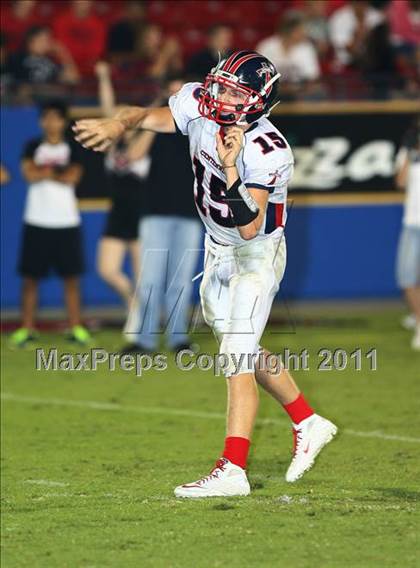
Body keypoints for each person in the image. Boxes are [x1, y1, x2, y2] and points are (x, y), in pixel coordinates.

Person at [73, 49, 337, 498]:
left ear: (256, 100)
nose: (220, 96)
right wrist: (120, 123)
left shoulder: (268, 149)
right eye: (220, 85)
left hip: (255, 253)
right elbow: (149, 116)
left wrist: (230, 165)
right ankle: (308, 421)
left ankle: (232, 469)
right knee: (243, 348)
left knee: (235, 356)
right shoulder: (198, 103)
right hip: (217, 250)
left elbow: (249, 226)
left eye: (234, 92)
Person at [121, 77, 202, 354]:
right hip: (154, 212)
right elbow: (133, 154)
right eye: (172, 93)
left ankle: (178, 339)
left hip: (190, 213)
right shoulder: (156, 129)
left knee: (181, 280)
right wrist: (156, 116)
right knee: (150, 280)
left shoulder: (197, 127)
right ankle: (144, 340)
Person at [10, 100, 90, 348]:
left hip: (67, 221)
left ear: (63, 122)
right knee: (30, 279)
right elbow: (29, 174)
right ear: (41, 121)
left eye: (55, 117)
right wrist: (57, 173)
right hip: (36, 220)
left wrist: (45, 171)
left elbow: (73, 177)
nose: (50, 122)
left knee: (71, 279)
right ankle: (27, 329)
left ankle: (76, 328)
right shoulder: (32, 146)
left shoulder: (73, 147)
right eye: (46, 117)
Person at [95, 61, 152, 314]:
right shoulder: (111, 145)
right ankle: (133, 305)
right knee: (107, 270)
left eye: (123, 117)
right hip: (117, 213)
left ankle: (142, 322)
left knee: (142, 277)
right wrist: (103, 77)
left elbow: (134, 155)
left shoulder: (145, 139)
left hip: (141, 213)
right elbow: (107, 110)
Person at [395, 116, 420, 351]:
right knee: (406, 277)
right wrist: (410, 154)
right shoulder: (409, 153)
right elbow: (401, 182)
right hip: (412, 223)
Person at [256, 11, 321, 99]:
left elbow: (312, 78)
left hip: (299, 92)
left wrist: (297, 89)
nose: (305, 33)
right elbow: (258, 76)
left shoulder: (306, 48)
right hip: (271, 91)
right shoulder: (267, 46)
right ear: (290, 30)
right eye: (301, 29)